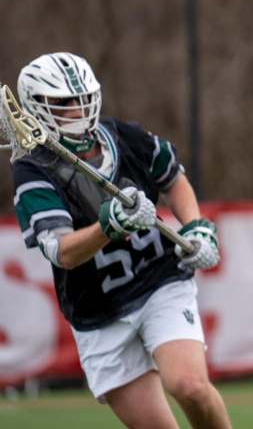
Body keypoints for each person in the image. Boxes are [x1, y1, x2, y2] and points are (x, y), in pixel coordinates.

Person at [10, 52, 231, 429]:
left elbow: (172, 178)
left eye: (83, 99)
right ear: (36, 108)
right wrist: (107, 227)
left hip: (159, 280)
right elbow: (63, 252)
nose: (78, 110)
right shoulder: (33, 170)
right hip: (98, 312)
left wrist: (195, 225)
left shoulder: (123, 137)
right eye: (64, 104)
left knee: (189, 385)